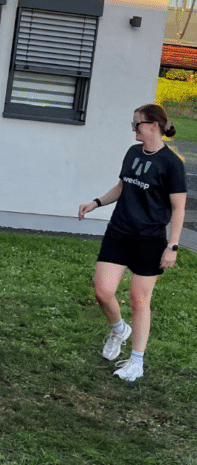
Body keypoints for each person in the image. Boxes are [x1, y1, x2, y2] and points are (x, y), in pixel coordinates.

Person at [78, 104, 186, 382]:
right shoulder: (133, 153)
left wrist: (172, 245)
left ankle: (136, 361)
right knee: (102, 292)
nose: (133, 128)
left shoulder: (172, 164)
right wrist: (96, 202)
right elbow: (123, 185)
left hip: (149, 239)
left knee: (139, 300)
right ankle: (119, 329)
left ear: (153, 125)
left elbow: (178, 208)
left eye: (136, 124)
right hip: (119, 231)